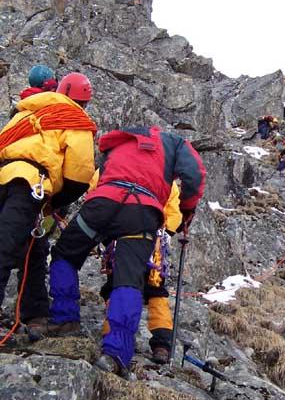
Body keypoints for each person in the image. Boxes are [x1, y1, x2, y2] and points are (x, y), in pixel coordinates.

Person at [48, 125, 206, 377]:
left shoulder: (117, 145)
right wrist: (187, 209)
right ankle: (116, 352)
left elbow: (92, 175)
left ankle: (65, 318)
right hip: (141, 213)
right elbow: (194, 175)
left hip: (103, 202)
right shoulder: (173, 144)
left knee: (65, 254)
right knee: (129, 280)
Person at [0, 73, 96, 341]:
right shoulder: (76, 120)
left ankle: (35, 315)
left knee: (31, 247)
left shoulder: (28, 112)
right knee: (15, 249)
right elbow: (80, 173)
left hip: (4, 176)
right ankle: (34, 316)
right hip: (31, 185)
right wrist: (56, 201)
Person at [100, 181, 183, 365]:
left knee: (117, 286)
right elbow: (174, 214)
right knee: (155, 291)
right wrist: (165, 230)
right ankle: (162, 344)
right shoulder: (166, 178)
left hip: (119, 239)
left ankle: (111, 332)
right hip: (154, 245)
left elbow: (98, 193)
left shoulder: (114, 167)